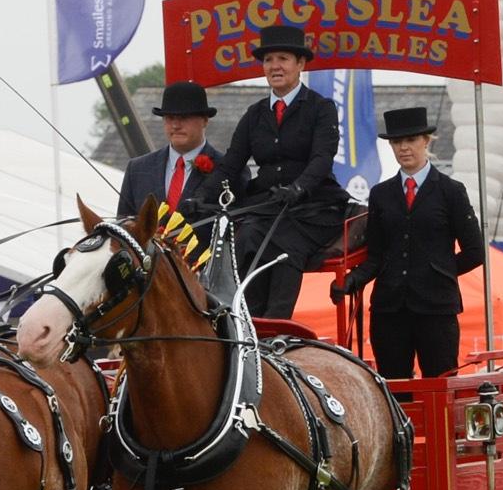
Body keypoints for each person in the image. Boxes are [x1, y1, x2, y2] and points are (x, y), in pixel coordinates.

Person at [331, 107, 485, 378]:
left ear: (426, 141)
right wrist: (352, 280)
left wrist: (438, 272)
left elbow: (475, 252)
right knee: (394, 389)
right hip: (389, 309)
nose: (404, 148)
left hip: (436, 310)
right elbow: (376, 255)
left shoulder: (451, 191)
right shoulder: (381, 194)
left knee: (439, 387)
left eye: (411, 140)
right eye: (397, 142)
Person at [215, 24, 351, 319]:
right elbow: (231, 163)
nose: (275, 66)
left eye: (283, 59)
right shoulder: (254, 114)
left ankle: (276, 323)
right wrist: (201, 196)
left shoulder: (320, 108)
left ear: (300, 64)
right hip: (268, 207)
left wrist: (299, 187)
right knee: (246, 234)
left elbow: (322, 159)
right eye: (268, 60)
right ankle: (248, 320)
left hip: (312, 208)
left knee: (283, 242)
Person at [117, 82, 227, 218]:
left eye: (184, 118)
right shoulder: (137, 169)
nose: (175, 125)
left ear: (205, 120)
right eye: (169, 118)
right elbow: (123, 229)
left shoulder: (227, 169)